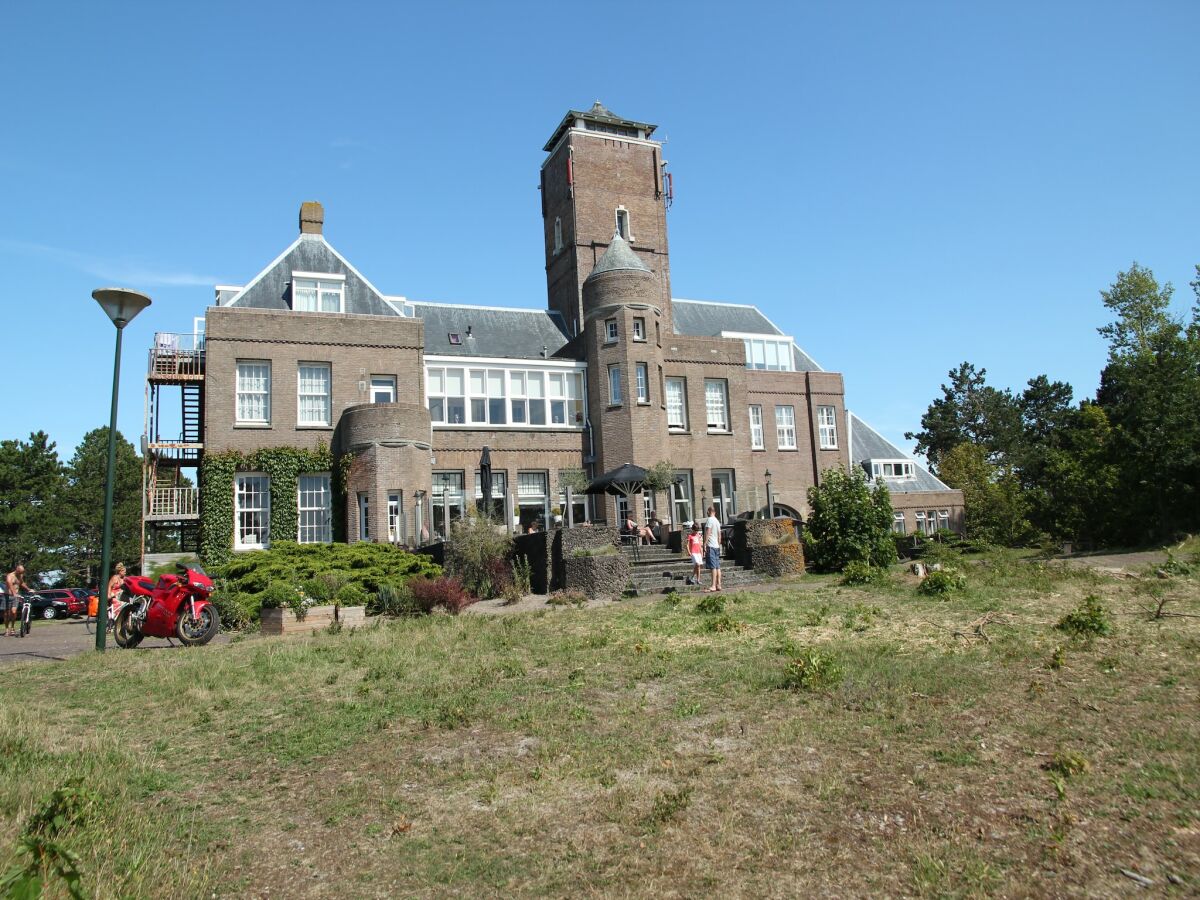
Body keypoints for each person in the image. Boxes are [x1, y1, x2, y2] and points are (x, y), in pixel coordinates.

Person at [703, 506, 723, 592]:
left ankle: (713, 585)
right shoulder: (717, 521)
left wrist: (704, 543)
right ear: (715, 512)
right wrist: (718, 544)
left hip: (711, 545)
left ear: (709, 511)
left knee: (713, 567)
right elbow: (719, 535)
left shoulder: (710, 520)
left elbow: (708, 532)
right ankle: (719, 585)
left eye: (707, 511)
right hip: (716, 546)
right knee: (718, 567)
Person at [5, 565, 29, 636]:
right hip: (7, 596)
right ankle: (7, 630)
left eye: (22, 572)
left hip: (16, 596)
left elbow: (22, 583)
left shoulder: (20, 576)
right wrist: (14, 593)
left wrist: (28, 589)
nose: (21, 573)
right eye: (20, 572)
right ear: (17, 570)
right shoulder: (10, 575)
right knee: (7, 614)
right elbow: (9, 584)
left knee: (14, 611)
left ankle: (12, 627)